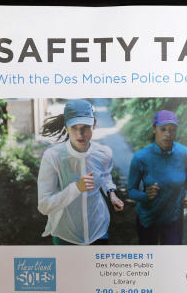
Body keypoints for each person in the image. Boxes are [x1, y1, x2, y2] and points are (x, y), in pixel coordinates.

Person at [36, 99, 124, 245]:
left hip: (99, 230)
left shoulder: (104, 153)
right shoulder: (53, 157)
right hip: (66, 235)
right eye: (74, 127)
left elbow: (105, 174)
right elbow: (44, 206)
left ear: (94, 124)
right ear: (66, 127)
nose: (80, 134)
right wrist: (76, 188)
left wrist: (111, 193)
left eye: (85, 127)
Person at [127, 110, 187, 245]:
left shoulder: (186, 153)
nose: (168, 134)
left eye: (172, 130)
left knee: (172, 260)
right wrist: (146, 196)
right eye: (163, 129)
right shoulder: (141, 157)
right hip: (148, 219)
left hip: (173, 219)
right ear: (154, 129)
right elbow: (131, 191)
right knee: (150, 261)